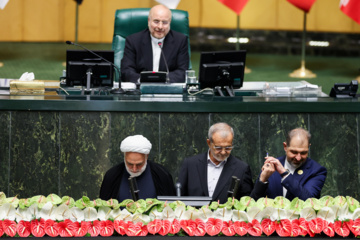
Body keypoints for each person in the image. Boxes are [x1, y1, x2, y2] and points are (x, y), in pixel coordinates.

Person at [178, 122, 254, 204]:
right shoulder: (190, 164)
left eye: (228, 148)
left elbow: (247, 203)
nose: (223, 152)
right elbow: (179, 199)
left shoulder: (241, 168)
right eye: (218, 148)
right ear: (209, 143)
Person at [251, 128, 327, 201]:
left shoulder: (317, 171)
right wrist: (262, 181)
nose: (298, 158)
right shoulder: (271, 166)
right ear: (285, 147)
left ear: (308, 148)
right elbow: (252, 203)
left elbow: (309, 201)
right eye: (294, 152)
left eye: (303, 153)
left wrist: (284, 174)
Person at [121, 4, 189, 84]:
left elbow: (183, 71)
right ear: (149, 21)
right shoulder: (133, 41)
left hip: (168, 89)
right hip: (140, 90)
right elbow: (126, 70)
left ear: (169, 22)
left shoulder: (180, 40)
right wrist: (143, 80)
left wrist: (162, 79)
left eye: (164, 22)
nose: (160, 27)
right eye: (156, 21)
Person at [99, 135, 175, 201]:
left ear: (147, 156)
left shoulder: (162, 175)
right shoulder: (111, 176)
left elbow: (171, 208)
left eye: (139, 164)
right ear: (124, 157)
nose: (134, 169)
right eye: (130, 164)